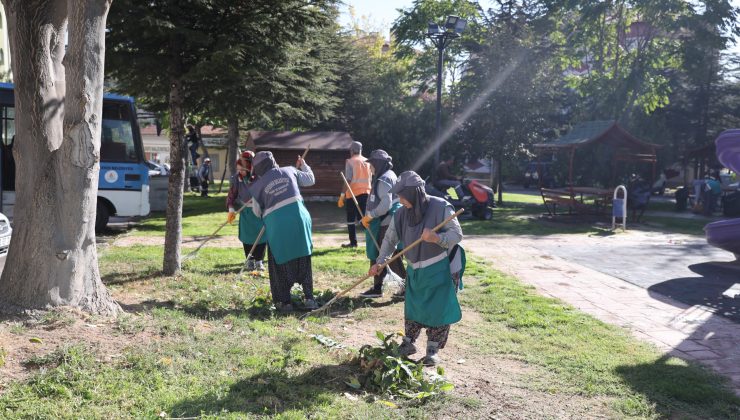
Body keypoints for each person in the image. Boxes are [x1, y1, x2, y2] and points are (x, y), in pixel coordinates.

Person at [369, 171, 464, 366]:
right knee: (413, 306)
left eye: (402, 195)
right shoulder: (401, 213)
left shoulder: (440, 207)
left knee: (438, 310)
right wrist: (380, 261)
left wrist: (437, 238)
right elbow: (390, 239)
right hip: (416, 268)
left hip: (441, 267)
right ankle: (408, 343)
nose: (399, 199)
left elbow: (457, 234)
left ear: (413, 194)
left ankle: (432, 350)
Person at [248, 151, 317, 312]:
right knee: (303, 257)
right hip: (300, 220)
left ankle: (284, 302)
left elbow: (257, 212)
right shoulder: (290, 170)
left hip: (278, 225)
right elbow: (310, 179)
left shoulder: (257, 186)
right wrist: (304, 165)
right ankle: (309, 299)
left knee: (279, 261)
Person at [358, 149, 406, 299]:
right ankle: (377, 287)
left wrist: (370, 215)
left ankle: (406, 288)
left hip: (386, 222)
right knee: (378, 253)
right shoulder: (387, 176)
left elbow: (386, 204)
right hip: (383, 222)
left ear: (377, 164)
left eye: (371, 164)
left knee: (391, 256)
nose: (370, 168)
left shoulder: (384, 179)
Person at [227, 151, 267, 271]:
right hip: (245, 213)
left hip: (259, 212)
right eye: (239, 169)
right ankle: (249, 260)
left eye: (243, 169)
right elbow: (231, 195)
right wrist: (231, 208)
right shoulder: (236, 178)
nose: (241, 172)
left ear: (250, 167)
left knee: (261, 237)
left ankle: (259, 261)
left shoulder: (260, 178)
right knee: (247, 237)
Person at [338, 141, 372, 248]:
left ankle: (353, 243)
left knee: (351, 219)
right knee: (364, 219)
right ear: (361, 150)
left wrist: (342, 196)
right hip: (366, 193)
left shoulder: (350, 161)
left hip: (353, 194)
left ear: (351, 150)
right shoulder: (368, 162)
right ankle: (371, 241)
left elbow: (348, 180)